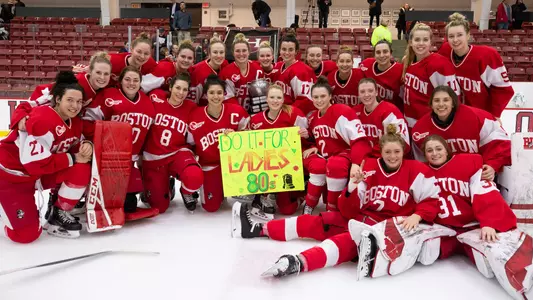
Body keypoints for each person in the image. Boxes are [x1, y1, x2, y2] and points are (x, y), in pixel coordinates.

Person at [231, 123, 440, 278]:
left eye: (397, 152)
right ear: (381, 151)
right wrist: (352, 187)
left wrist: (417, 215)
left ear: (403, 151)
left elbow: (432, 200)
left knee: (345, 241)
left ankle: (298, 262)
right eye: (388, 152)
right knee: (320, 220)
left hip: (385, 230)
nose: (392, 156)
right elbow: (348, 211)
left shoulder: (417, 170)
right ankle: (260, 229)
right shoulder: (369, 167)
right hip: (362, 218)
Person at [420, 135, 530, 300]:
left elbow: (484, 190)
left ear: (447, 150)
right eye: (429, 150)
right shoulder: (419, 171)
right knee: (420, 248)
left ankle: (527, 285)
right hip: (441, 228)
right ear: (424, 154)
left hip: (470, 226)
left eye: (438, 149)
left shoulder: (467, 163)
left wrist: (489, 222)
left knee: (503, 251)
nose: (434, 153)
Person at [0, 71, 92, 243]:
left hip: (36, 176)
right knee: (27, 235)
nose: (75, 105)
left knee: (81, 169)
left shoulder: (76, 122)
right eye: (70, 100)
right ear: (58, 99)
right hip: (11, 177)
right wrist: (72, 158)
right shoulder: (43, 118)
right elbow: (33, 164)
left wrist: (86, 146)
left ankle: (58, 213)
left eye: (79, 101)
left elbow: (73, 145)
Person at [83, 66, 157, 219]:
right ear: (120, 81)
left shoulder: (147, 103)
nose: (131, 83)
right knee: (103, 198)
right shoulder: (108, 96)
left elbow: (149, 133)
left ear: (140, 83)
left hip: (128, 161)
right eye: (127, 79)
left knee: (129, 205)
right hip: (105, 158)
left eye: (135, 80)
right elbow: (87, 121)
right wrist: (98, 140)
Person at [301, 77, 371, 214]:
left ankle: (332, 209)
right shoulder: (313, 117)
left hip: (344, 154)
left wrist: (356, 163)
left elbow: (359, 139)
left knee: (335, 164)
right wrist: (312, 142)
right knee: (317, 165)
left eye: (323, 96)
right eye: (315, 97)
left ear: (330, 97)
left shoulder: (341, 111)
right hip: (326, 156)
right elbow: (318, 137)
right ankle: (309, 204)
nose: (319, 100)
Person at [411, 85, 511, 182]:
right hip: (442, 178)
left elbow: (501, 143)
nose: (441, 104)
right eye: (436, 100)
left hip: (477, 176)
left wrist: (492, 165)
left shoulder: (477, 117)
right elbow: (421, 163)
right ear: (431, 104)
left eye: (446, 100)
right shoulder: (420, 129)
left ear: (453, 103)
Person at [187, 75, 249, 212]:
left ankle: (229, 188)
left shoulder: (236, 111)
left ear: (225, 94)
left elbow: (250, 139)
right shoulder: (195, 115)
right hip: (209, 165)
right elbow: (190, 144)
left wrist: (236, 136)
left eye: (219, 92)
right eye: (212, 93)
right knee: (210, 207)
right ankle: (203, 189)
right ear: (205, 94)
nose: (216, 96)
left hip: (233, 165)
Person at [142, 73, 202, 214]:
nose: (181, 93)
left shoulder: (191, 107)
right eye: (178, 88)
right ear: (170, 87)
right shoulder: (155, 97)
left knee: (194, 176)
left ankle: (186, 191)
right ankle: (166, 186)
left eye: (185, 90)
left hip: (177, 153)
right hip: (153, 157)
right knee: (159, 207)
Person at [248, 84, 309, 216]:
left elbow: (308, 138)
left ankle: (301, 195)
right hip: (265, 167)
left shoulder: (293, 114)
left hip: (287, 166)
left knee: (287, 210)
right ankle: (264, 195)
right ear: (267, 99)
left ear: (283, 100)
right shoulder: (255, 120)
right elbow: (247, 145)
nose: (275, 100)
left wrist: (306, 135)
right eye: (272, 97)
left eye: (278, 97)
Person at [438, 13, 514, 119]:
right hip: (453, 116)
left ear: (468, 35)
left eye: (460, 35)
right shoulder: (445, 51)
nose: (455, 40)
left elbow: (504, 89)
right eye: (451, 36)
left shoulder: (486, 56)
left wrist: (494, 115)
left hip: (480, 117)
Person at [12, 52, 112, 130]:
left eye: (106, 74)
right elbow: (46, 96)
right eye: (98, 72)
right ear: (90, 71)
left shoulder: (99, 88)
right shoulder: (78, 84)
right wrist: (22, 113)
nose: (102, 77)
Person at [402, 22, 460, 128]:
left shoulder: (438, 63)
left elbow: (453, 96)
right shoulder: (409, 62)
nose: (421, 43)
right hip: (409, 123)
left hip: (429, 124)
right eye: (417, 40)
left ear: (430, 42)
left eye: (425, 40)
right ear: (410, 42)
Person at [353, 78, 409, 158]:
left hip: (387, 158)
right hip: (364, 157)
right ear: (358, 94)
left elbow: (399, 143)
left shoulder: (389, 111)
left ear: (376, 92)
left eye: (370, 91)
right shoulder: (355, 112)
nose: (366, 94)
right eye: (362, 92)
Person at [274, 30, 316, 115]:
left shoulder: (302, 70)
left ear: (296, 52)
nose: (286, 53)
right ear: (279, 50)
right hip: (280, 112)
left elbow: (305, 101)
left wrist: (286, 113)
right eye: (284, 49)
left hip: (296, 115)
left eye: (290, 50)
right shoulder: (278, 66)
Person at [219, 33, 263, 112]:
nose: (241, 54)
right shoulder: (226, 72)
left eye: (244, 50)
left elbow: (261, 96)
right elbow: (228, 99)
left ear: (249, 52)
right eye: (237, 51)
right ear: (233, 53)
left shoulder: (258, 70)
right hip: (233, 113)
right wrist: (241, 114)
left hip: (254, 112)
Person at [359, 40, 404, 111]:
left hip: (392, 113)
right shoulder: (366, 64)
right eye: (378, 52)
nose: (382, 55)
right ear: (374, 55)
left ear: (391, 53)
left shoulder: (400, 70)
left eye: (385, 51)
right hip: (371, 111)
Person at [189, 34, 228, 106]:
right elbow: (193, 100)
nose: (219, 55)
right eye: (215, 52)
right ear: (209, 54)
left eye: (221, 52)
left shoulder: (225, 65)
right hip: (203, 110)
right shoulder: (198, 70)